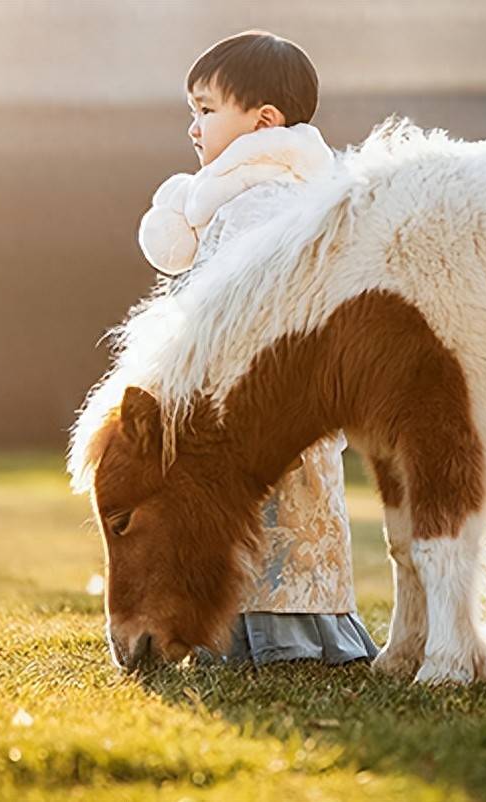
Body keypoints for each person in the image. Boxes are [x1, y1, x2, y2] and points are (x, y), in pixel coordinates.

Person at [135, 30, 379, 666]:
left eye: (207, 109)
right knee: (261, 515)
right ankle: (255, 627)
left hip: (266, 397)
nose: (193, 126)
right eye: (192, 110)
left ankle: (281, 637)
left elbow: (243, 306)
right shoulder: (249, 197)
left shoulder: (267, 200)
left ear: (264, 121)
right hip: (256, 396)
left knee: (280, 516)